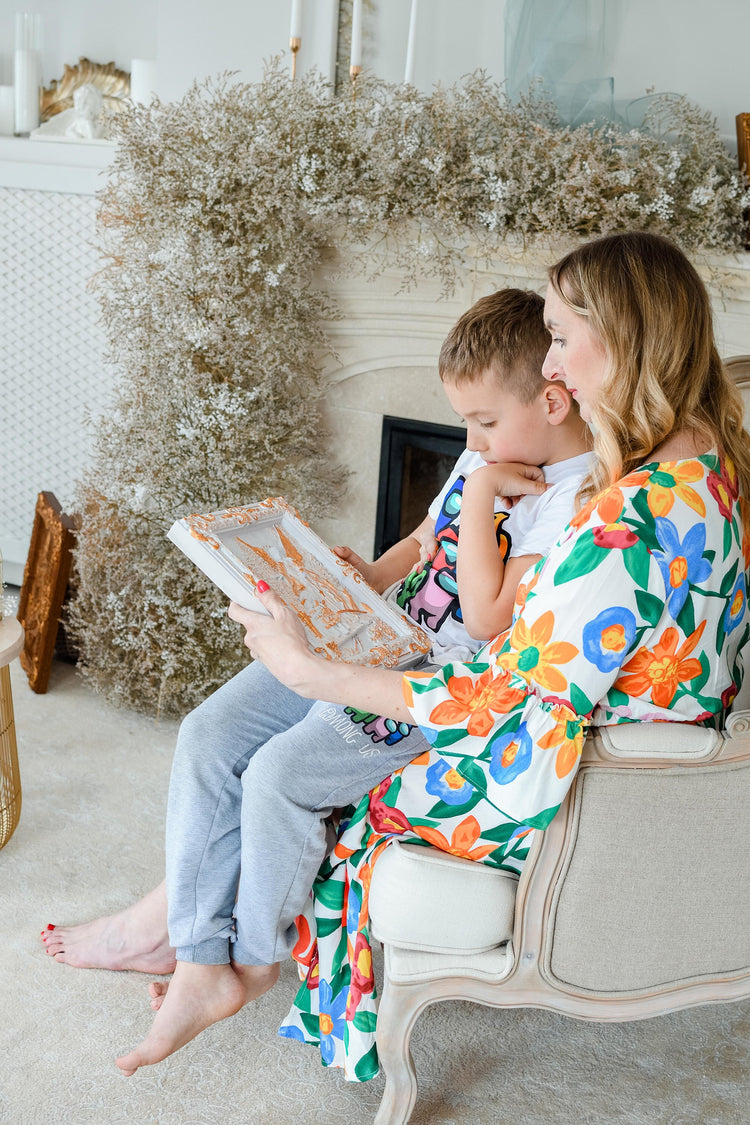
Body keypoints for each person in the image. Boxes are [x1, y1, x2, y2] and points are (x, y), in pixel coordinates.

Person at [110, 230, 750, 1079]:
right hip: (576, 724)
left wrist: (316, 672)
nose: (552, 366)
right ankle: (191, 928)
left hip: (546, 770)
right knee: (233, 734)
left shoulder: (624, 514)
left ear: (621, 340)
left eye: (560, 337)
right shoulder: (703, 455)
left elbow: (507, 690)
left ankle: (228, 946)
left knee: (292, 764)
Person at [40, 291, 590, 1027]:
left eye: (483, 422)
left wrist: (488, 489)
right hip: (381, 632)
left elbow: (491, 618)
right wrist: (369, 576)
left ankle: (251, 960)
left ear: (553, 402)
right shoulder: (488, 449)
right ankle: (193, 946)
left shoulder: (573, 498)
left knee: (277, 772)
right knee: (209, 732)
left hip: (440, 682)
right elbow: (428, 537)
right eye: (466, 423)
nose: (471, 438)